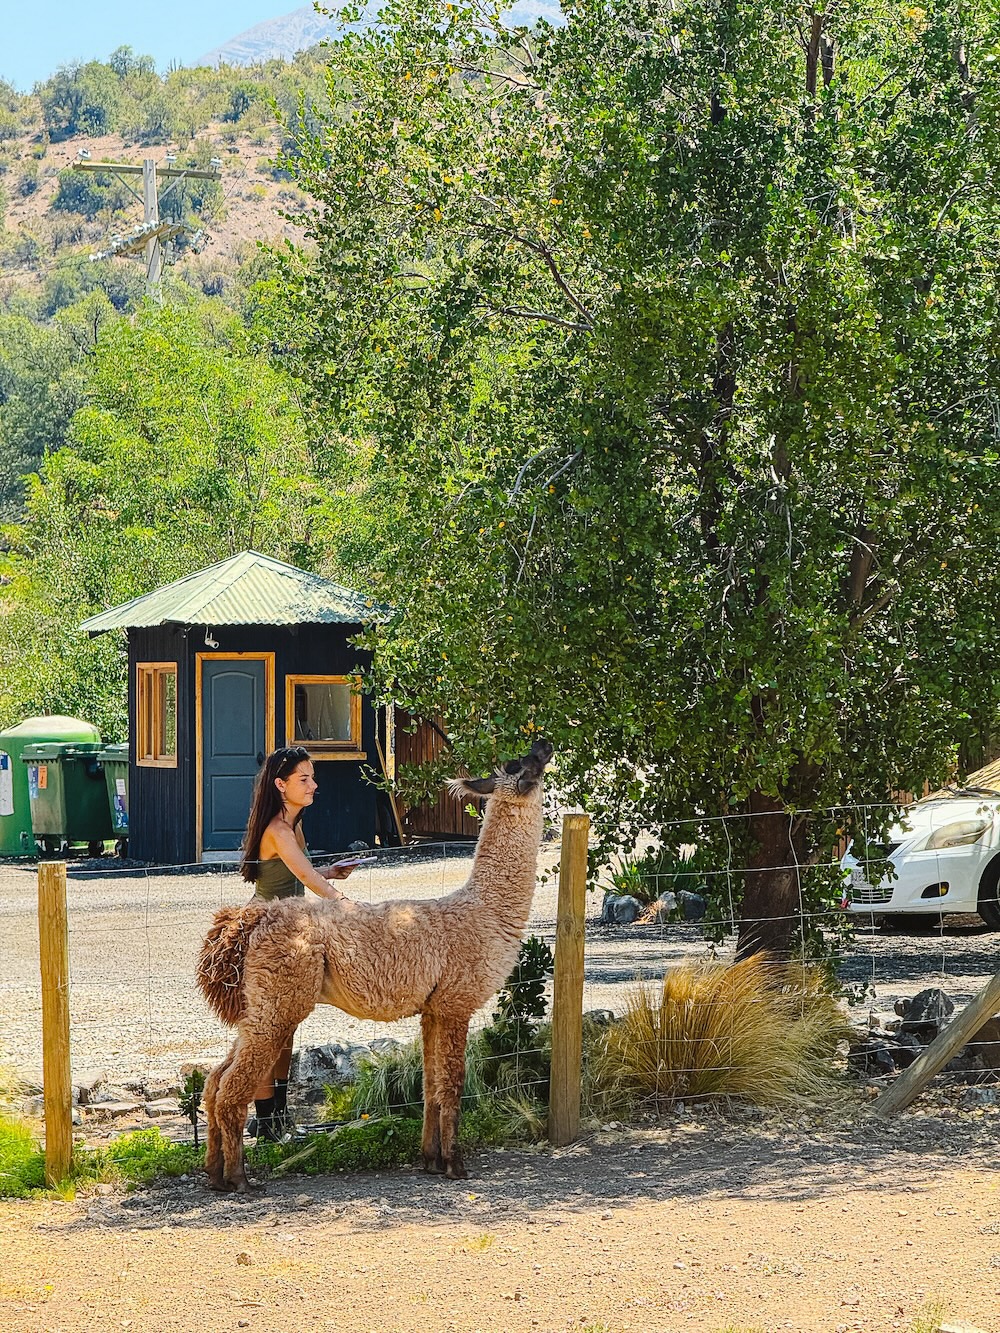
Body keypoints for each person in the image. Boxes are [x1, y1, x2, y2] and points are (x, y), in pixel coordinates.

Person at [238, 745, 359, 1141]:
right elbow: (306, 880)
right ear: (280, 784)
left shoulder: (293, 825)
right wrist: (343, 902)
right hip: (266, 937)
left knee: (286, 1029)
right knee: (265, 1033)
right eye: (303, 779)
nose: (313, 785)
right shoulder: (277, 829)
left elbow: (300, 871)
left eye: (312, 777)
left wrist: (330, 872)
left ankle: (276, 1117)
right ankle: (268, 1122)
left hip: (289, 930)